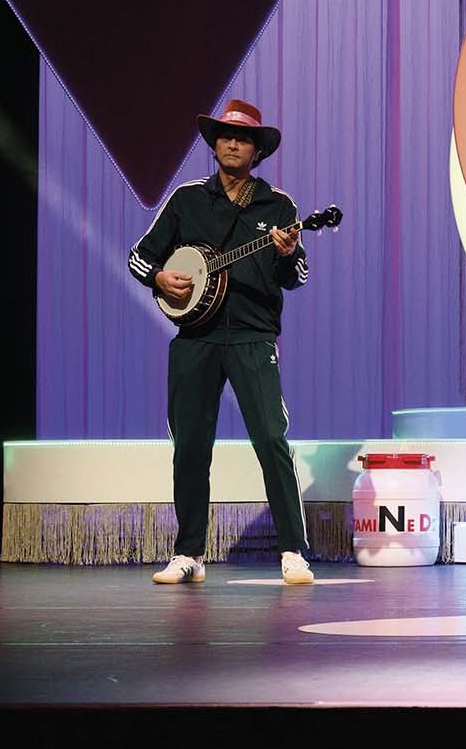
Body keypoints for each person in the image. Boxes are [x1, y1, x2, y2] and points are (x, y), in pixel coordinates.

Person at [129, 99, 315, 586]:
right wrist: (159, 279)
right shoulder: (186, 199)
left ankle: (292, 550)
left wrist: (288, 253)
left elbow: (297, 277)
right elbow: (139, 258)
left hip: (253, 337)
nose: (233, 144)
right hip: (195, 338)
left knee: (271, 439)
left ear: (257, 151)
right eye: (226, 137)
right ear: (214, 145)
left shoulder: (278, 206)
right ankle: (189, 552)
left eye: (244, 139)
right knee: (190, 445)